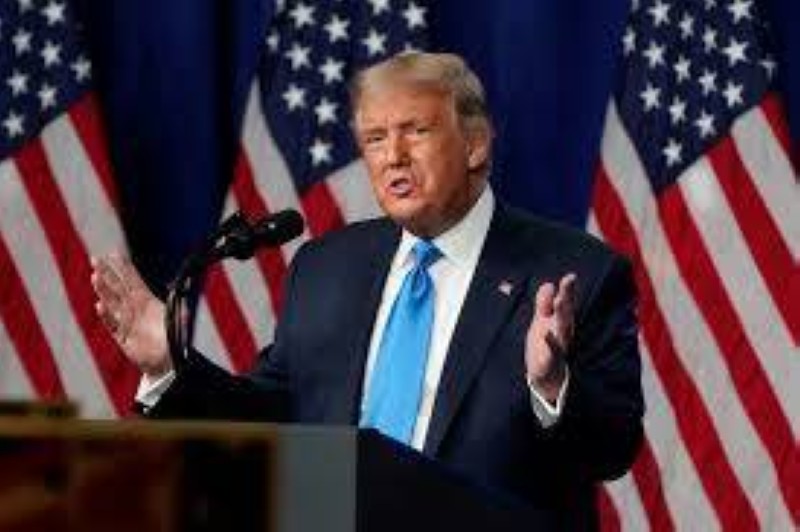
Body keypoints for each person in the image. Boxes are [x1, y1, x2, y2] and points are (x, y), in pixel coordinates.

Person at [92, 51, 643, 529]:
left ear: (475, 144)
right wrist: (174, 366)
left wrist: (552, 386)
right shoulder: (327, 267)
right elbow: (274, 417)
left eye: (415, 131)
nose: (392, 155)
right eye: (375, 138)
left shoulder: (575, 273)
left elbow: (614, 447)